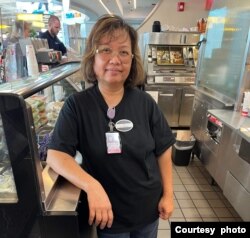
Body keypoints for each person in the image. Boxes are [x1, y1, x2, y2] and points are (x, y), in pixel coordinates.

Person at [46, 14, 175, 238]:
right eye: (105, 50)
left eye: (124, 52)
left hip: (148, 209)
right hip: (108, 216)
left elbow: (163, 148)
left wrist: (169, 194)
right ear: (92, 57)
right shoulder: (77, 106)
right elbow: (56, 155)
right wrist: (92, 186)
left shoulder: (145, 103)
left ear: (132, 59)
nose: (115, 60)